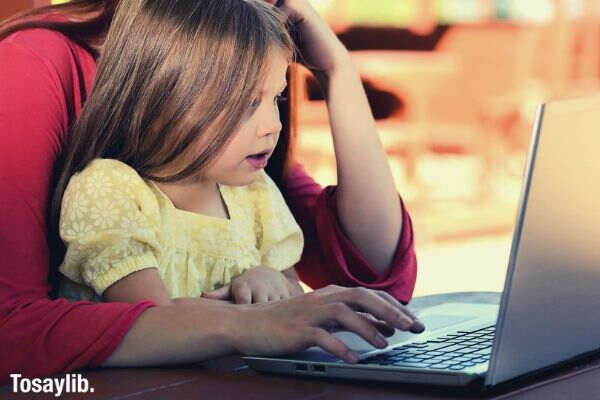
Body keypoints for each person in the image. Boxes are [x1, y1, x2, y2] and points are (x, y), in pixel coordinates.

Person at [0, 0, 422, 385]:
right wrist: (243, 324)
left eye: (273, 96)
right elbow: (10, 329)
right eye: (245, 100)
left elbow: (373, 275)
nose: (270, 124)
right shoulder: (34, 63)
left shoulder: (242, 152)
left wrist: (336, 71)